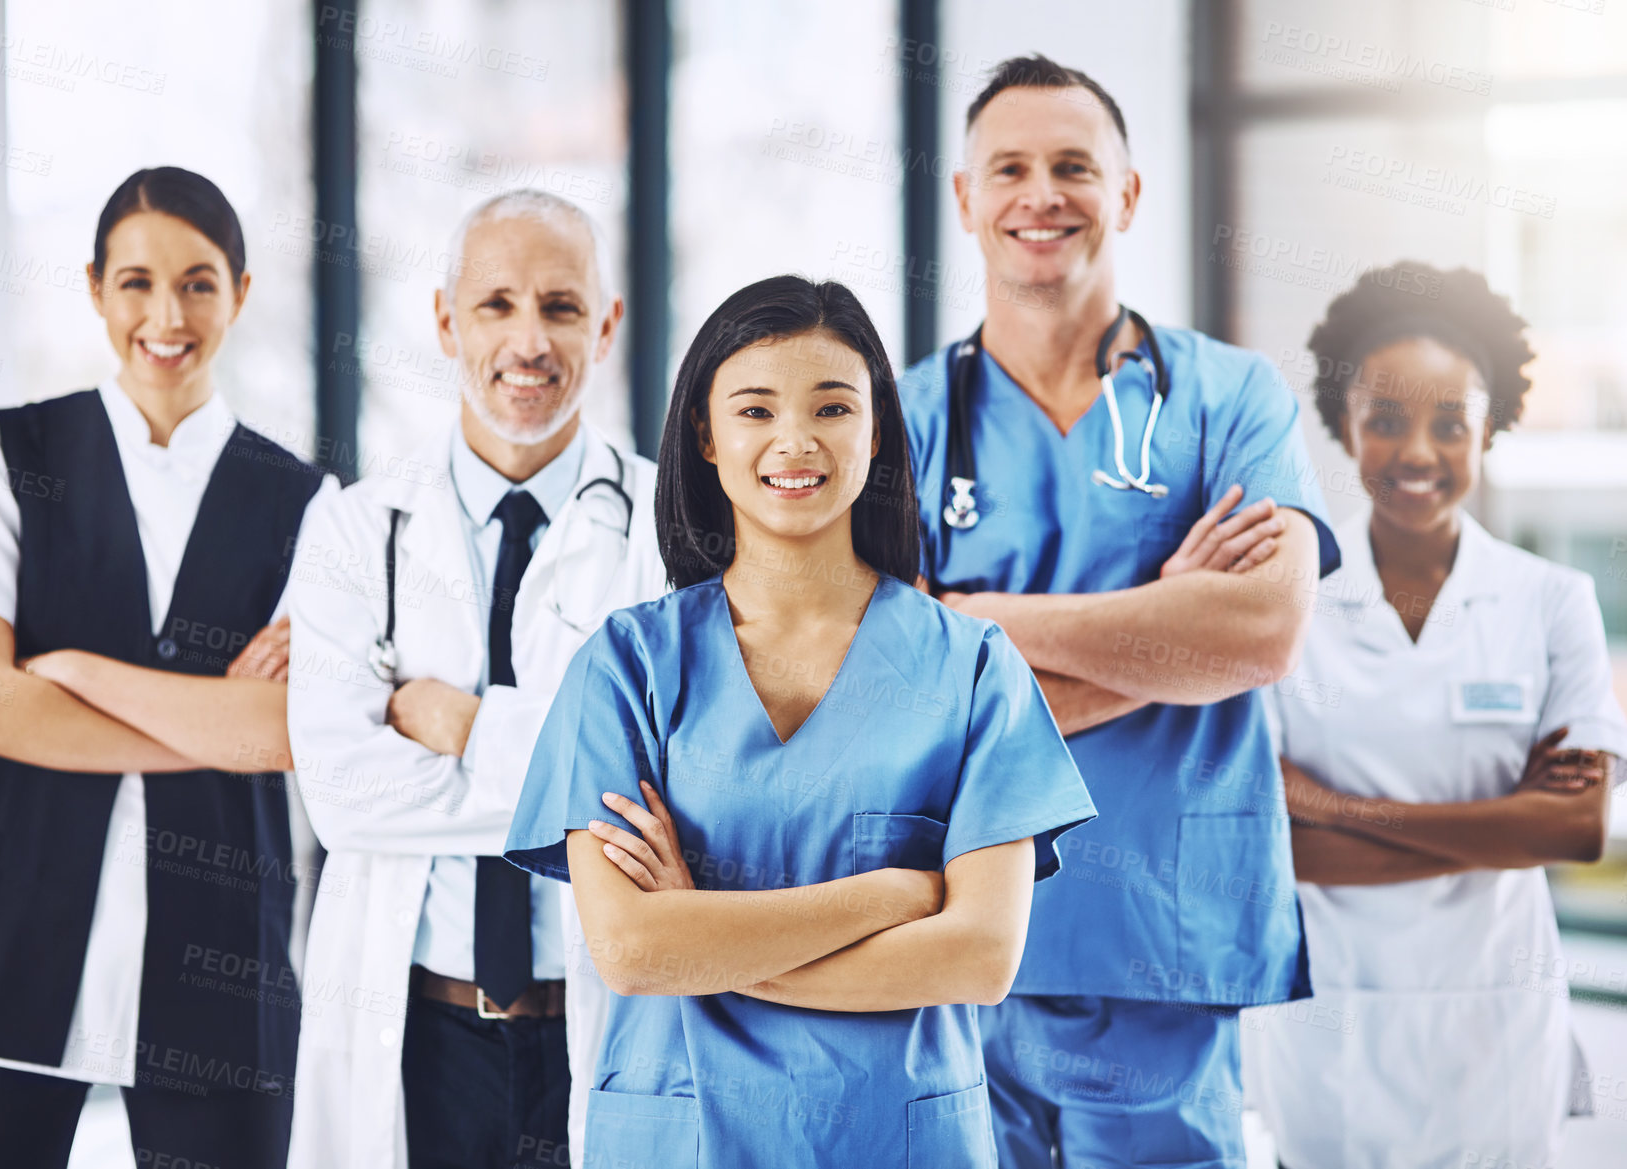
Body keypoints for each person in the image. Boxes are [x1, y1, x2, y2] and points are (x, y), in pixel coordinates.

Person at [503, 274, 1099, 1167]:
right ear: (705, 434)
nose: (795, 441)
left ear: (875, 431)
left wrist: (701, 932)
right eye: (754, 409)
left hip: (895, 1134)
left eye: (831, 407)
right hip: (683, 1133)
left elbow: (978, 956)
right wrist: (889, 896)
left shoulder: (973, 667)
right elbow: (629, 947)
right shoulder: (628, 665)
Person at [896, 55, 1343, 1167]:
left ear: (1129, 194)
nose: (1040, 194)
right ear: (965, 198)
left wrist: (968, 616)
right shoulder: (900, 419)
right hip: (951, 942)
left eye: (1073, 167)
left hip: (1161, 942)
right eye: (1010, 167)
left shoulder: (1230, 397)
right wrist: (1161, 625)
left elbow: (1261, 632)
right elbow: (888, 699)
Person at [0, 166, 330, 1168]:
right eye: (137, 280)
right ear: (97, 287)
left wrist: (70, 674)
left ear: (240, 291)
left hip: (220, 970)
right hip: (3, 946)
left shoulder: (308, 503)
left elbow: (280, 731)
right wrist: (208, 719)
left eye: (197, 281)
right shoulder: (11, 451)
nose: (166, 312)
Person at [284, 189, 665, 1169]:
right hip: (419, 1029)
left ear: (609, 323)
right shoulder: (356, 530)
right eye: (496, 304)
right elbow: (344, 797)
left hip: (602, 1021)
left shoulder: (671, 532)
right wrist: (579, 786)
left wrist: (457, 723)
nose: (528, 339)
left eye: (562, 306)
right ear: (446, 319)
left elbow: (684, 784)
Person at [1239, 263, 1624, 1169]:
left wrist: (1337, 805)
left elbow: (1573, 828)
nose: (1418, 451)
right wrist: (1502, 826)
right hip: (1330, 1030)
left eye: (1450, 423)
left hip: (1493, 1034)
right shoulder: (1287, 603)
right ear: (1345, 427)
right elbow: (1269, 844)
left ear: (1490, 426)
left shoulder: (1551, 600)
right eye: (1386, 420)